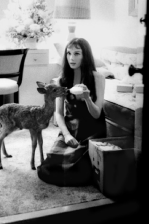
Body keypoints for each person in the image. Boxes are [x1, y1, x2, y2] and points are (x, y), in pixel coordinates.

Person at [37, 38, 107, 186]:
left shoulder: (98, 78)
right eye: (69, 53)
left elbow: (97, 114)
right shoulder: (62, 80)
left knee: (80, 171)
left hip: (91, 129)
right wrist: (66, 135)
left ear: (85, 55)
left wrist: (87, 98)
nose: (71, 58)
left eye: (77, 53)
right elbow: (59, 114)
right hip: (70, 128)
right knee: (48, 168)